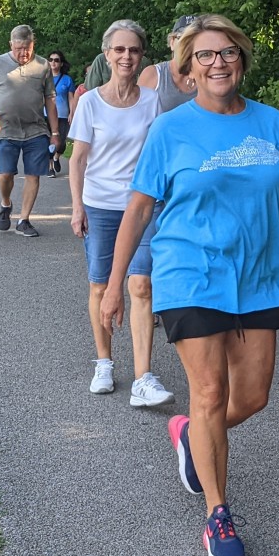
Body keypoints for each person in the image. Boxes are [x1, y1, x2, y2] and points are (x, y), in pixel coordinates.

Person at [102, 13, 279, 556]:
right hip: (189, 274)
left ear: (242, 61)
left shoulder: (271, 123)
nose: (218, 63)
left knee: (250, 398)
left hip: (256, 277)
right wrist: (113, 286)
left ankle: (190, 437)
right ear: (187, 70)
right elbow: (138, 209)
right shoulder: (170, 130)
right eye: (205, 56)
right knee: (209, 394)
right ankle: (218, 515)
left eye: (227, 53)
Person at [69, 20, 172, 406]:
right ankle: (105, 362)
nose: (127, 56)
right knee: (100, 285)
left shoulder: (152, 102)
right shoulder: (91, 102)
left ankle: (144, 376)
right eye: (120, 50)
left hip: (143, 206)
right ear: (107, 54)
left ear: (142, 55)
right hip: (100, 206)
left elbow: (159, 154)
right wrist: (77, 207)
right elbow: (78, 161)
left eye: (134, 50)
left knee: (140, 285)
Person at [0, 24, 61, 237]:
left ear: (33, 45)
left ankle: (24, 219)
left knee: (33, 175)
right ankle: (6, 203)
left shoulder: (43, 65)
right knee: (6, 174)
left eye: (27, 48)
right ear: (11, 45)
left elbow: (50, 100)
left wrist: (55, 132)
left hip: (36, 130)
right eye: (18, 48)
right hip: (5, 128)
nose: (23, 53)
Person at [136, 15, 199, 112]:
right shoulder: (154, 74)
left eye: (196, 40)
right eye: (184, 39)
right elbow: (137, 116)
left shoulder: (208, 76)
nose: (189, 45)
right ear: (172, 42)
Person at [48, 52, 75, 177]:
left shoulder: (67, 79)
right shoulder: (44, 78)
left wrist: (72, 113)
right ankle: (50, 168)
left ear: (61, 63)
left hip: (63, 115)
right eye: (51, 59)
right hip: (46, 115)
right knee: (49, 142)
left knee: (61, 143)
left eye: (56, 60)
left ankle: (56, 157)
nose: (53, 62)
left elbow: (71, 98)